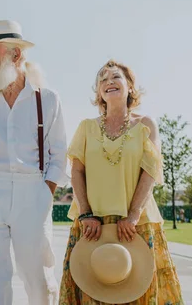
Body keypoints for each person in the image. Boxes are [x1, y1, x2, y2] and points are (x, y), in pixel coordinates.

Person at [0, 20, 68, 304]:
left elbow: (58, 154)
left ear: (16, 55)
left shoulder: (47, 99)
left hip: (33, 189)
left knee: (39, 277)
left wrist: (45, 192)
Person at [59, 60, 183, 304]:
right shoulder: (86, 127)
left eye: (115, 77)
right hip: (92, 223)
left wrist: (134, 214)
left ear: (130, 87)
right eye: (102, 80)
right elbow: (76, 171)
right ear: (98, 93)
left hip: (136, 223)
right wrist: (86, 214)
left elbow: (151, 170)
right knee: (93, 288)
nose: (109, 82)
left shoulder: (146, 125)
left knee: (139, 293)